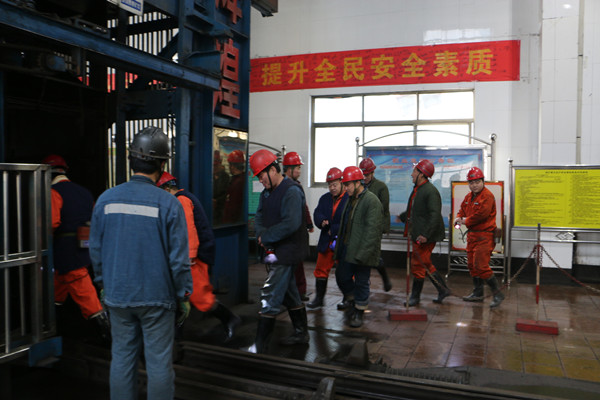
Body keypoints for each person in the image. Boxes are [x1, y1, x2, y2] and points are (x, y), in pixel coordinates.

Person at [89, 127, 193, 400]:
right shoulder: (169, 204)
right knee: (159, 364)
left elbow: (96, 250)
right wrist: (183, 295)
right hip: (158, 299)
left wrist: (102, 284)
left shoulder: (105, 200)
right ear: (162, 164)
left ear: (130, 159)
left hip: (117, 296)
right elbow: (179, 260)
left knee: (122, 358)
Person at [157, 172, 242, 341]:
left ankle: (230, 319)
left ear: (166, 189)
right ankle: (176, 337)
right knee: (182, 295)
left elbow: (188, 229)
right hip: (191, 256)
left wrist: (189, 257)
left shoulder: (181, 200)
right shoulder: (182, 198)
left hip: (194, 258)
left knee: (199, 295)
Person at [43, 154, 109, 341]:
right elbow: (96, 218)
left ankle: (105, 330)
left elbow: (52, 222)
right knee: (59, 285)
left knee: (81, 286)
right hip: (85, 244)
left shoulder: (54, 192)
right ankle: (52, 323)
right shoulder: (84, 192)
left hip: (64, 249)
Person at [249, 149, 309, 353]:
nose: (260, 181)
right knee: (290, 292)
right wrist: (261, 234)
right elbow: (259, 216)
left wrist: (266, 237)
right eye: (258, 177)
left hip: (288, 251)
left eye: (261, 176)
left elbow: (291, 223)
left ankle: (259, 345)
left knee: (271, 293)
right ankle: (301, 332)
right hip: (276, 249)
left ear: (273, 170)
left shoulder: (291, 191)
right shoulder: (267, 193)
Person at [334, 166, 383, 328]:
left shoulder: (371, 201)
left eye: (347, 185)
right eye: (344, 184)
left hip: (363, 250)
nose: (345, 188)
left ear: (357, 183)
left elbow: (372, 231)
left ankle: (359, 311)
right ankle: (352, 299)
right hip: (347, 247)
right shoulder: (350, 199)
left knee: (361, 281)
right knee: (341, 276)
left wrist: (363, 254)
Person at [397, 159, 451, 306]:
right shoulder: (418, 189)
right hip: (420, 233)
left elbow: (434, 215)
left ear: (421, 174)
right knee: (424, 263)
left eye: (414, 171)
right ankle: (443, 290)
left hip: (425, 235)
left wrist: (426, 235)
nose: (411, 174)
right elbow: (415, 211)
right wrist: (402, 217)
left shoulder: (430, 191)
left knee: (418, 264)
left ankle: (415, 297)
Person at [454, 166, 505, 308]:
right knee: (471, 265)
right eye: (471, 182)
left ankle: (498, 294)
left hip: (484, 236)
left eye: (477, 182)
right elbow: (462, 210)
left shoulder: (487, 196)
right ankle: (478, 293)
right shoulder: (468, 197)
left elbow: (481, 215)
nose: (474, 185)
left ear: (483, 181)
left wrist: (464, 221)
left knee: (481, 266)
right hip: (472, 236)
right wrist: (458, 217)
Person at [307, 167, 348, 309]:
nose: (332, 188)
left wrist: (333, 228)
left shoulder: (349, 199)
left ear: (342, 182)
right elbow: (317, 213)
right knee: (320, 270)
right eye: (330, 185)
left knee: (346, 272)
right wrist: (321, 221)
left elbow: (349, 220)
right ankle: (319, 299)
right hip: (326, 241)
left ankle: (348, 299)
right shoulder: (324, 198)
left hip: (343, 242)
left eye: (334, 184)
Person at [282, 151, 314, 301]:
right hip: (288, 231)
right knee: (287, 264)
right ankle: (289, 292)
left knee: (298, 262)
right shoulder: (282, 186)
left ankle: (300, 291)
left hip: (298, 231)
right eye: (298, 168)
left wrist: (309, 223)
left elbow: (303, 206)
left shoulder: (297, 186)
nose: (300, 171)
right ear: (289, 169)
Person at [359, 157, 392, 292]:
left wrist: (380, 227)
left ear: (372, 173)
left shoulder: (381, 187)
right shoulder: (359, 186)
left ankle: (385, 278)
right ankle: (364, 283)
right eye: (363, 175)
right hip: (361, 226)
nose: (365, 177)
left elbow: (383, 209)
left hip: (375, 226)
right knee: (365, 254)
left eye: (367, 175)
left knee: (373, 254)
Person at [222, 150, 246, 224]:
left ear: (232, 166)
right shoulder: (240, 179)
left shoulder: (237, 182)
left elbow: (234, 207)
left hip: (232, 222)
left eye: (229, 165)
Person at [213, 150, 230, 224]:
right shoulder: (208, 175)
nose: (214, 168)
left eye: (216, 166)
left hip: (221, 210)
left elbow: (227, 193)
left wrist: (217, 201)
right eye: (213, 166)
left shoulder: (225, 177)